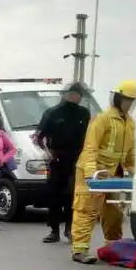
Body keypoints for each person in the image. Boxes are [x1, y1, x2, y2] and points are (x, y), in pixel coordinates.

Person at [69, 79, 136, 264]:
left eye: (133, 101)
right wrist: (91, 174)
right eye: (128, 100)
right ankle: (80, 250)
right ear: (118, 99)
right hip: (93, 173)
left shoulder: (130, 123)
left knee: (115, 213)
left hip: (113, 175)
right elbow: (90, 148)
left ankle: (113, 248)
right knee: (86, 210)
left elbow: (130, 154)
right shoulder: (102, 119)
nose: (130, 105)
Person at [35, 81, 91, 243]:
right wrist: (48, 153)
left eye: (81, 94)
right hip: (57, 159)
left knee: (72, 195)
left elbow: (89, 138)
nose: (79, 97)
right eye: (77, 93)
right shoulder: (52, 113)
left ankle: (69, 229)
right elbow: (39, 137)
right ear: (68, 94)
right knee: (54, 195)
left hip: (76, 160)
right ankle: (54, 231)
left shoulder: (84, 113)